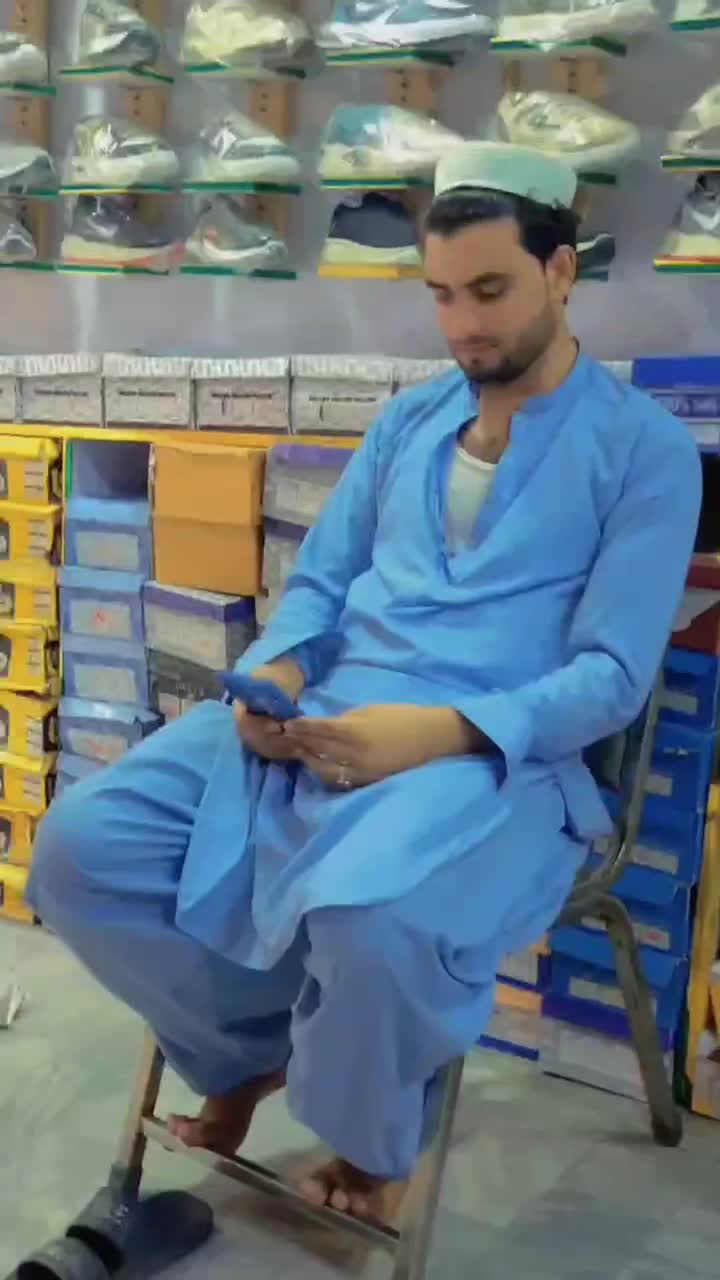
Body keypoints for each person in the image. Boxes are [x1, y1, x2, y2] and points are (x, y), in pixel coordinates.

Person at [28, 142, 701, 1222]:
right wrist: (278, 671)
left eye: (490, 290)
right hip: (325, 718)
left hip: (500, 760)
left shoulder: (646, 453)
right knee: (81, 851)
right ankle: (248, 1054)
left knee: (374, 924)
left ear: (561, 271)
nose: (463, 324)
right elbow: (320, 586)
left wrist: (436, 732)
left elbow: (613, 676)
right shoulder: (408, 422)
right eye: (442, 295)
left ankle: (368, 1139)